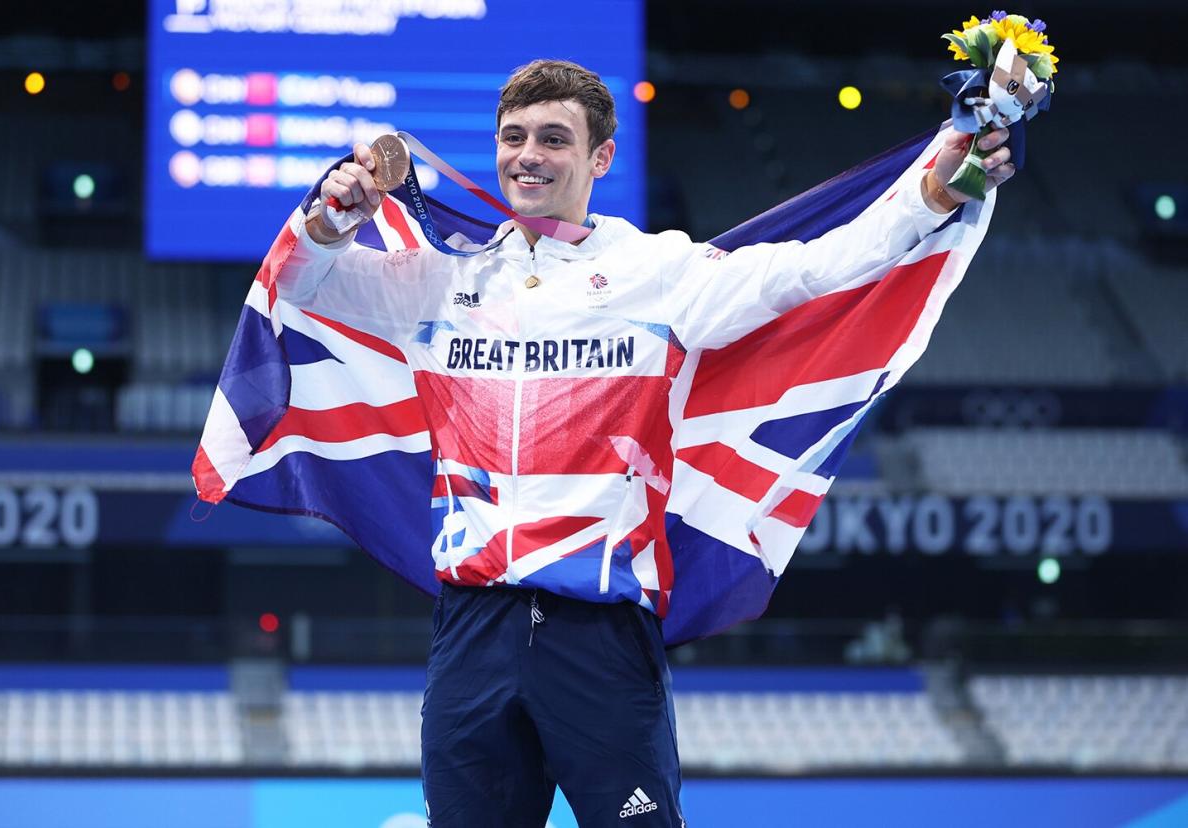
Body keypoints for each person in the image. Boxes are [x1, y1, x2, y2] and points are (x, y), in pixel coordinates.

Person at [277, 59, 1015, 827]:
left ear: (600, 158)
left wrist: (929, 194)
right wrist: (329, 220)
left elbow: (816, 271)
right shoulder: (437, 279)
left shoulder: (657, 272)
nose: (528, 154)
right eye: (514, 137)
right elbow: (298, 285)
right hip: (471, 630)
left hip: (600, 637)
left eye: (555, 139)